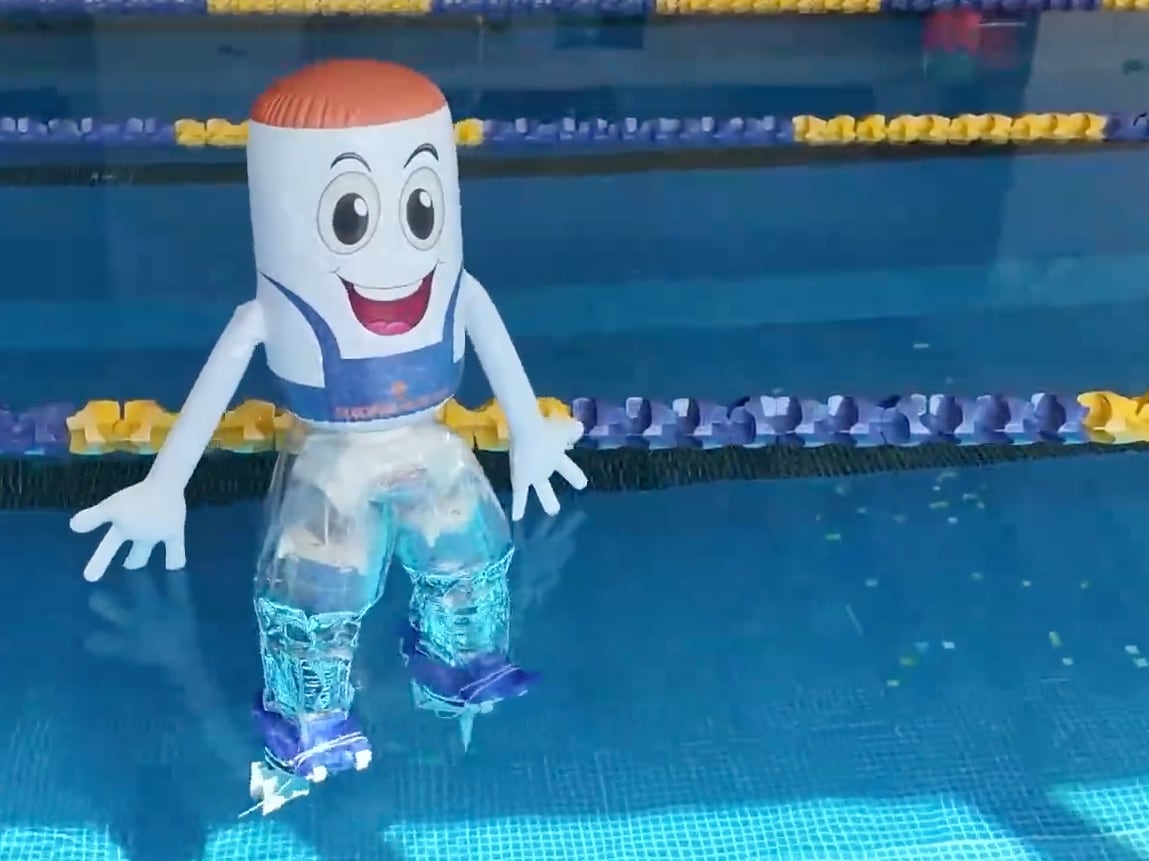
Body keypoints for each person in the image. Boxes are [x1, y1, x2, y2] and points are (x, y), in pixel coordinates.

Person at [69, 59, 587, 815]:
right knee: (315, 606)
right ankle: (310, 724)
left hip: (433, 448)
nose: (393, 251)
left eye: (421, 208)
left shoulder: (455, 285)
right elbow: (230, 360)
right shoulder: (273, 309)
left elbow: (477, 316)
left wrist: (533, 436)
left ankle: (461, 671)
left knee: (471, 568)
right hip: (331, 463)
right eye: (349, 220)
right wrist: (163, 482)